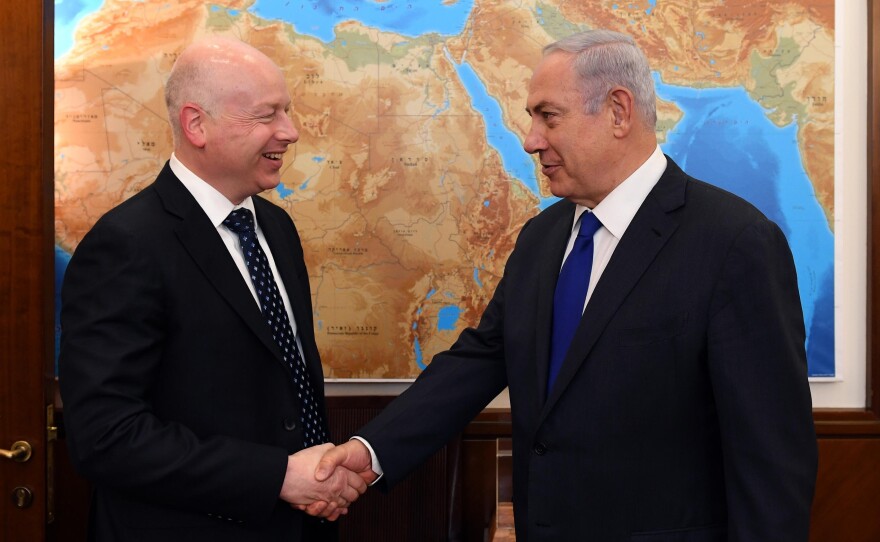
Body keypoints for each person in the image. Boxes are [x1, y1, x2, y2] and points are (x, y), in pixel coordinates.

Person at [313, 29, 818, 540]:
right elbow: (483, 358)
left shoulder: (734, 243)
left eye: (548, 116)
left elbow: (771, 457)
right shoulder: (542, 236)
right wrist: (370, 453)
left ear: (619, 112)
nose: (531, 139)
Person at [58, 36, 365, 541]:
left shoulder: (276, 229)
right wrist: (277, 477)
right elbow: (105, 437)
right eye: (267, 115)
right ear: (197, 124)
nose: (290, 132)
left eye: (287, 111)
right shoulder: (126, 245)